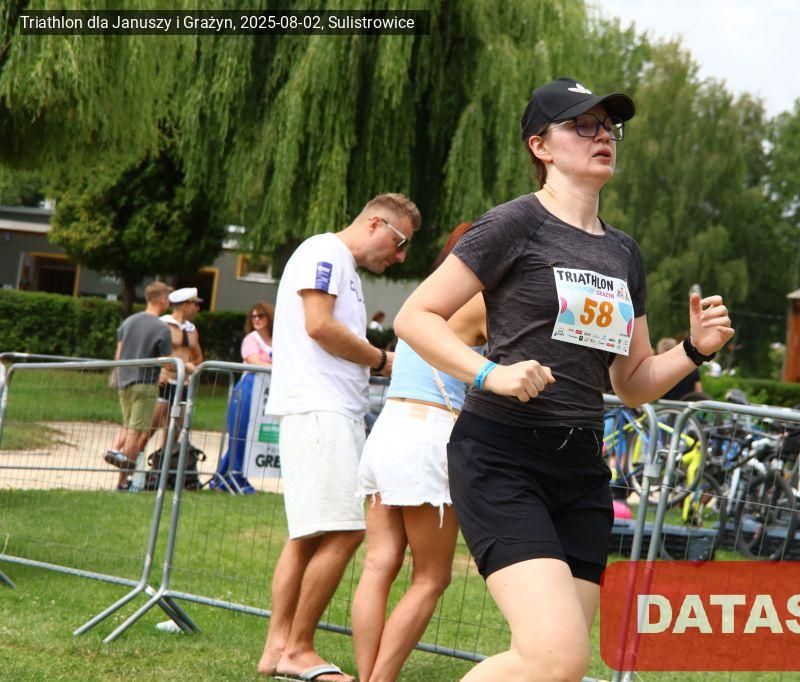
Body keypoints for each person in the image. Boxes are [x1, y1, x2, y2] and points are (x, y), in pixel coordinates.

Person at [395, 78, 734, 680]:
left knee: (559, 671)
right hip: (502, 457)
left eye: (608, 126)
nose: (603, 135)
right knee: (556, 658)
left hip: (581, 469)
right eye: (582, 124)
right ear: (541, 146)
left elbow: (631, 382)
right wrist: (491, 374)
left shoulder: (624, 253)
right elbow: (414, 317)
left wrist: (693, 350)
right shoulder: (513, 223)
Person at [258, 192, 420, 682]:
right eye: (400, 243)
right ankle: (298, 649)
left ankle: (278, 648)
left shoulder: (338, 263)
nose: (401, 257)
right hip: (321, 409)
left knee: (308, 535)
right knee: (346, 530)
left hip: (323, 410)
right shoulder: (324, 252)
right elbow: (319, 325)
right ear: (375, 224)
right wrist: (381, 359)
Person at [351, 223, 486, 682]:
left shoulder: (425, 298)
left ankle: (368, 676)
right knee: (431, 576)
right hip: (428, 434)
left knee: (378, 564)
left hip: (388, 428)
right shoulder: (478, 303)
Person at [103, 281, 173, 491]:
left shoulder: (129, 322)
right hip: (146, 383)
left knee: (128, 426)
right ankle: (123, 481)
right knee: (136, 433)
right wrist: (176, 368)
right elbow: (167, 362)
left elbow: (119, 354)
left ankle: (114, 449)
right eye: (167, 298)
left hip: (124, 381)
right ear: (162, 300)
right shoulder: (162, 328)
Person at [211, 301, 274, 494]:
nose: (256, 319)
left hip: (266, 391)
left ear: (270, 317)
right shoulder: (251, 339)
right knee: (239, 434)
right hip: (248, 388)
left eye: (261, 315)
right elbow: (255, 362)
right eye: (253, 316)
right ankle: (235, 477)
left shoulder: (277, 339)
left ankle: (221, 479)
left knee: (251, 435)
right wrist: (278, 367)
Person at [147, 287, 204, 455]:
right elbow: (149, 352)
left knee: (172, 436)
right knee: (147, 431)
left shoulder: (191, 330)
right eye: (195, 304)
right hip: (163, 384)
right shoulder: (163, 324)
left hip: (182, 386)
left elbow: (198, 357)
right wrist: (159, 371)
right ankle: (133, 468)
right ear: (185, 305)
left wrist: (190, 371)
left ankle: (160, 468)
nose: (198, 308)